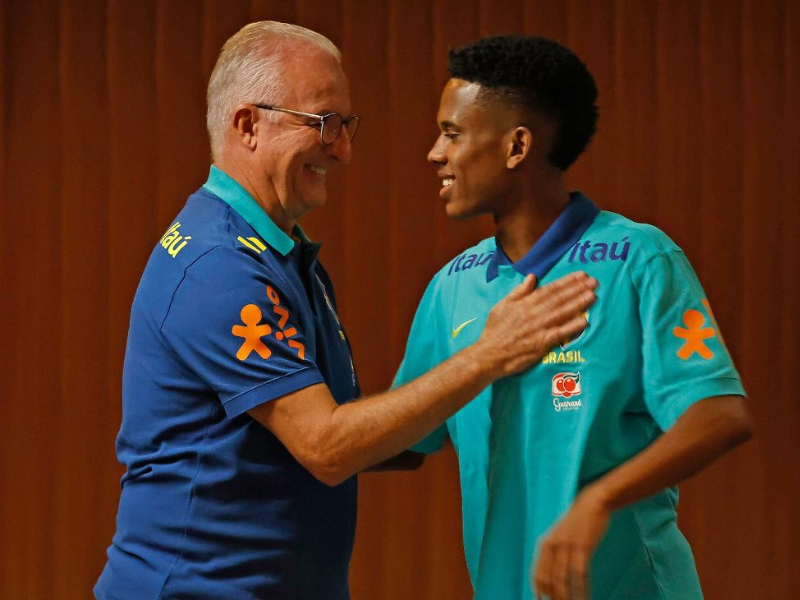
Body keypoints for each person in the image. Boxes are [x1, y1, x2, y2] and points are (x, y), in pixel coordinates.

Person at [94, 23, 598, 600]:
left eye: (346, 125)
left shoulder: (277, 253)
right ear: (248, 125)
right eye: (324, 123)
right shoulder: (220, 268)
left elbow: (356, 437)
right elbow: (327, 447)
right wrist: (490, 355)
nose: (343, 149)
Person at [392, 35, 753, 600]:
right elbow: (407, 440)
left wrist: (598, 501)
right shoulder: (450, 287)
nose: (435, 152)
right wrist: (280, 420)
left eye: (453, 133)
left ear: (517, 146)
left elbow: (720, 413)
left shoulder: (640, 258)